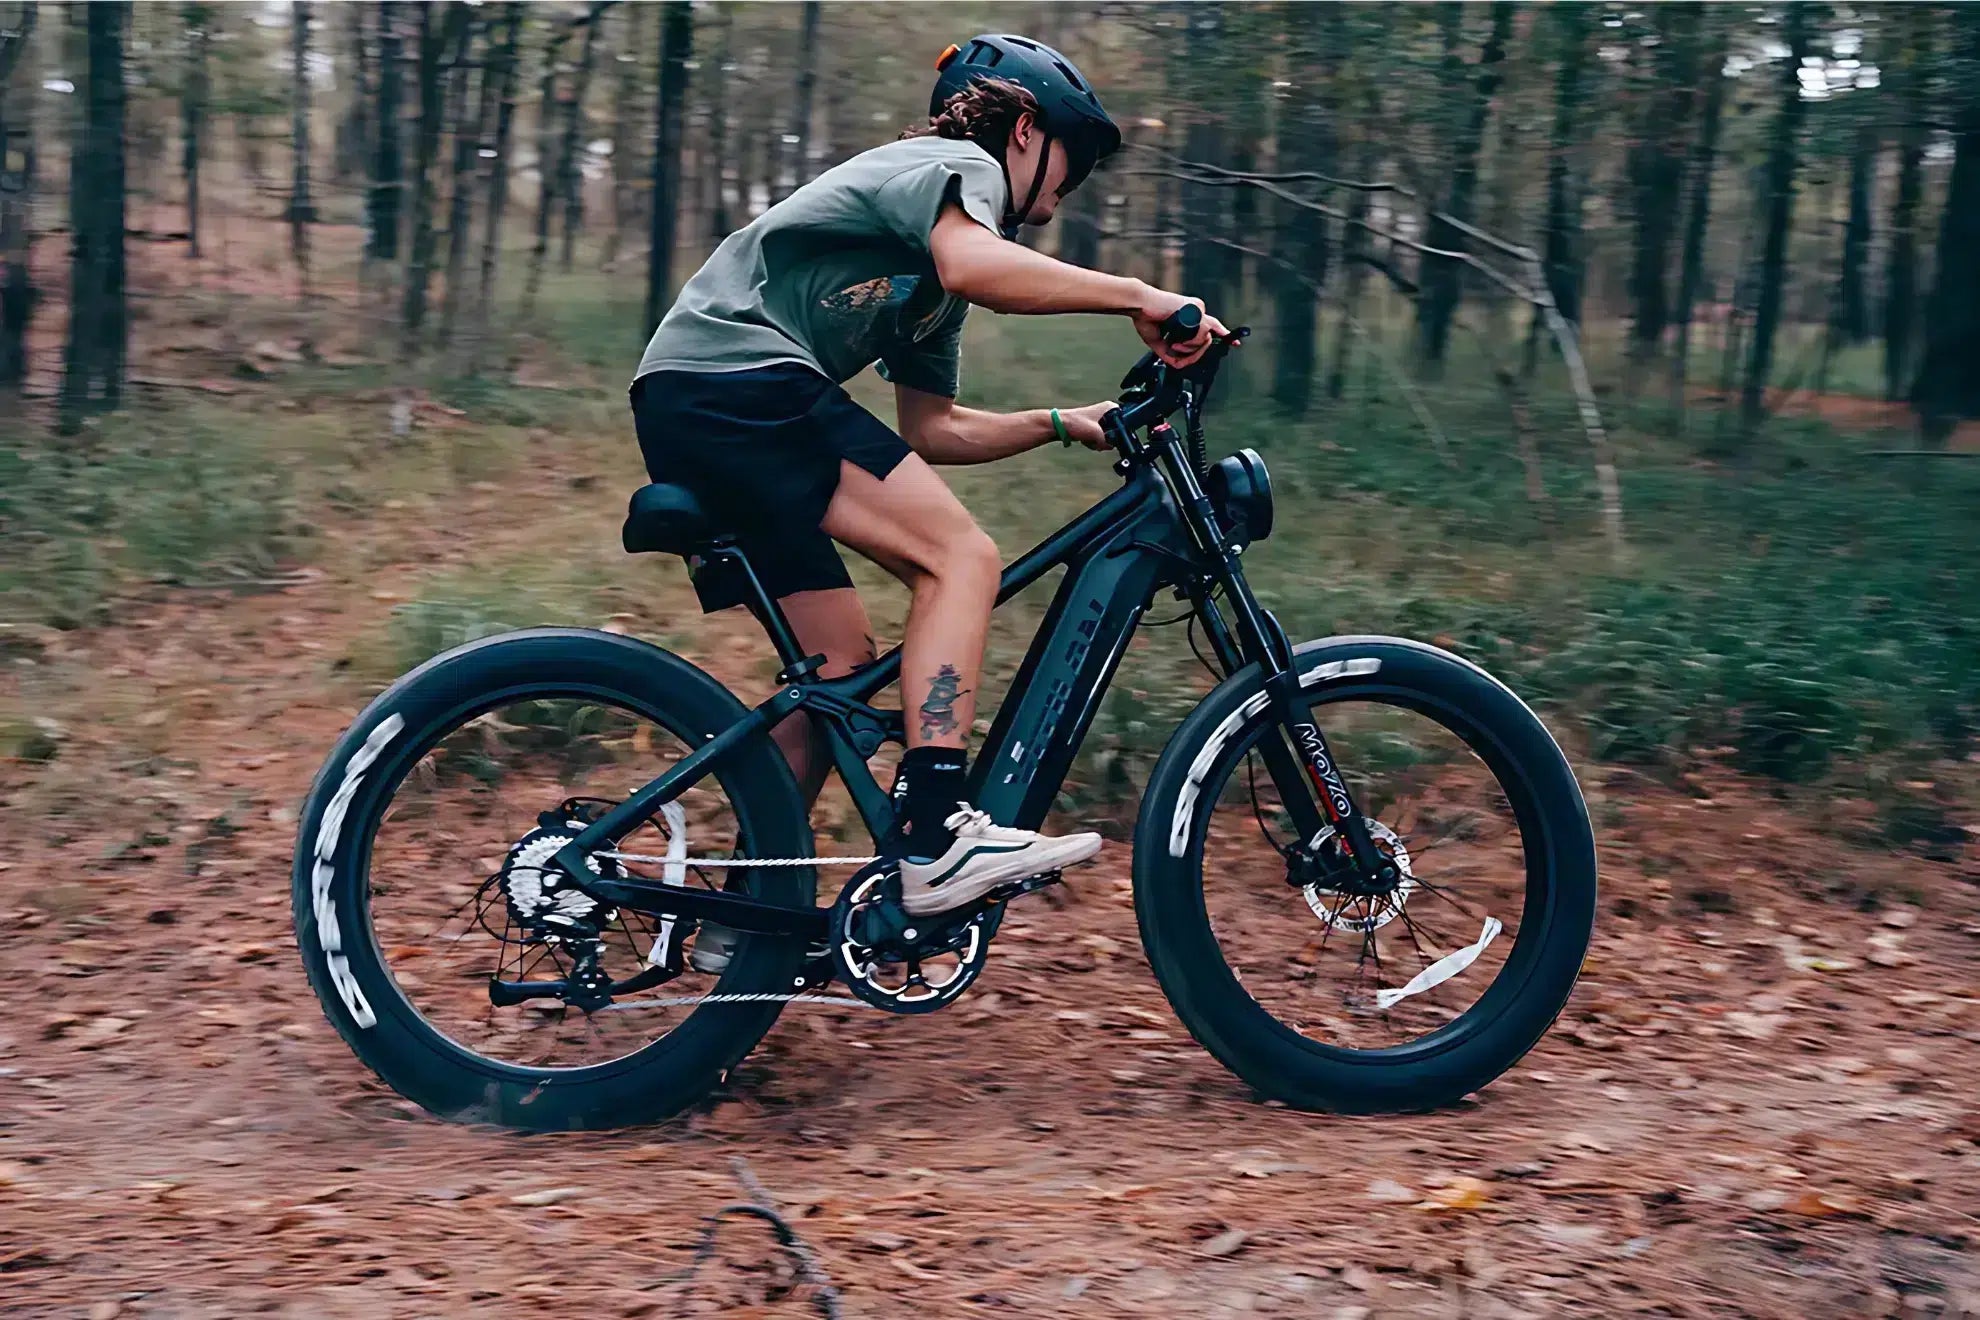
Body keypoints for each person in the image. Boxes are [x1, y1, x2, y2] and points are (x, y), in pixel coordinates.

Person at [631, 34, 1228, 936]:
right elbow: (976, 266)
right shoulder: (957, 168)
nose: (1069, 189)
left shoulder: (929, 275)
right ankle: (935, 833)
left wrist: (1060, 421)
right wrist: (1141, 294)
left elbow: (931, 429)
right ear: (1023, 130)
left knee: (836, 671)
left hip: (699, 397)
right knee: (960, 557)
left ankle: (742, 915)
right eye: (1072, 158)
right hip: (737, 384)